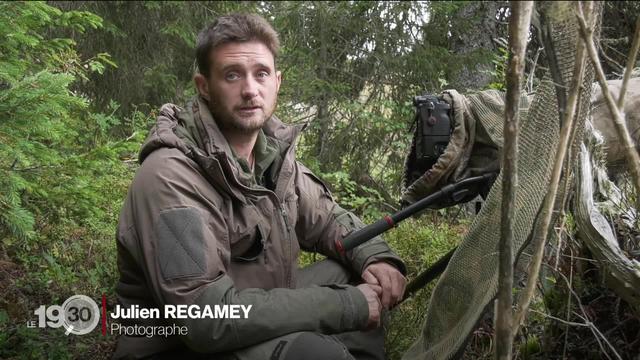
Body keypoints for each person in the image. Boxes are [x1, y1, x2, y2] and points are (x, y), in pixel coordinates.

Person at [113, 13, 406, 360]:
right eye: (232, 75)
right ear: (204, 86)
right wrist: (345, 306)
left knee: (351, 273)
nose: (250, 89)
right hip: (178, 343)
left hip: (247, 310)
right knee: (318, 347)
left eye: (261, 74)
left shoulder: (270, 156)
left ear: (277, 82)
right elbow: (204, 318)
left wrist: (376, 256)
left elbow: (328, 218)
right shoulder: (170, 176)